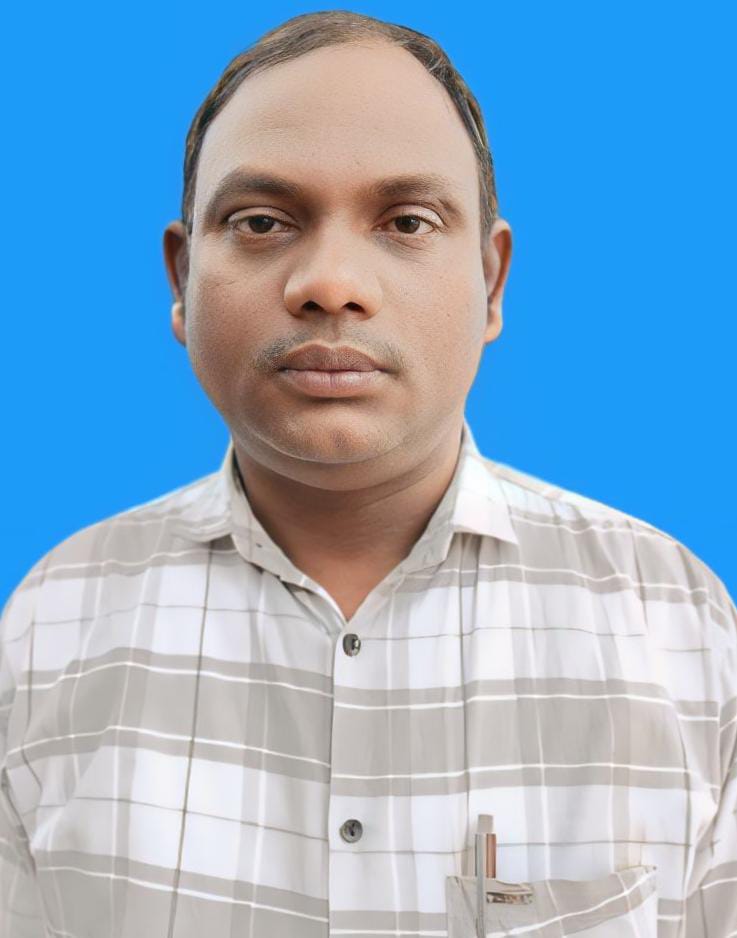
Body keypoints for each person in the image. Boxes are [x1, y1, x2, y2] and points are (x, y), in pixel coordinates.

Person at [1, 10, 734, 937]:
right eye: (262, 222)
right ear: (182, 282)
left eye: (406, 222)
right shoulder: (51, 623)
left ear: (491, 281)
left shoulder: (675, 624)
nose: (331, 284)